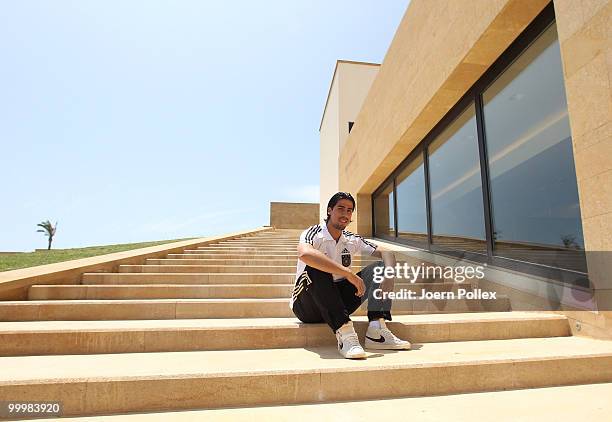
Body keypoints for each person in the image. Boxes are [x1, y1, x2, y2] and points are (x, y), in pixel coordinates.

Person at [290, 192, 411, 359]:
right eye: (341, 209)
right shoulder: (314, 233)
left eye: (349, 210)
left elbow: (386, 252)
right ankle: (346, 335)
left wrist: (389, 275)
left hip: (338, 302)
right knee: (316, 265)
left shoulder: (351, 239)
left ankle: (377, 331)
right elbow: (304, 253)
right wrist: (347, 272)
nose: (345, 214)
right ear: (329, 211)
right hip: (307, 307)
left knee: (380, 268)